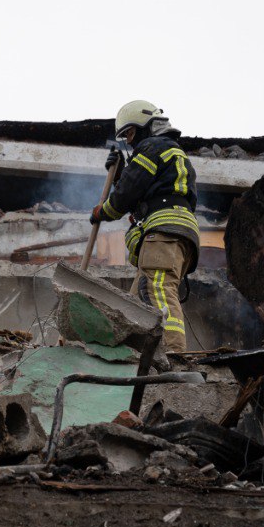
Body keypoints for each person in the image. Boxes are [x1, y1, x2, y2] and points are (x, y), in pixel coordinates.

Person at [89, 100, 200, 353]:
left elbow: (126, 195)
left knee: (157, 288)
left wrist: (102, 211)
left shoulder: (152, 147)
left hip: (163, 233)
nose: (128, 141)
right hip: (177, 233)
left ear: (144, 127)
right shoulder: (170, 152)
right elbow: (144, 189)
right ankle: (133, 362)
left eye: (129, 133)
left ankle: (174, 355)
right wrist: (120, 175)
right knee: (134, 307)